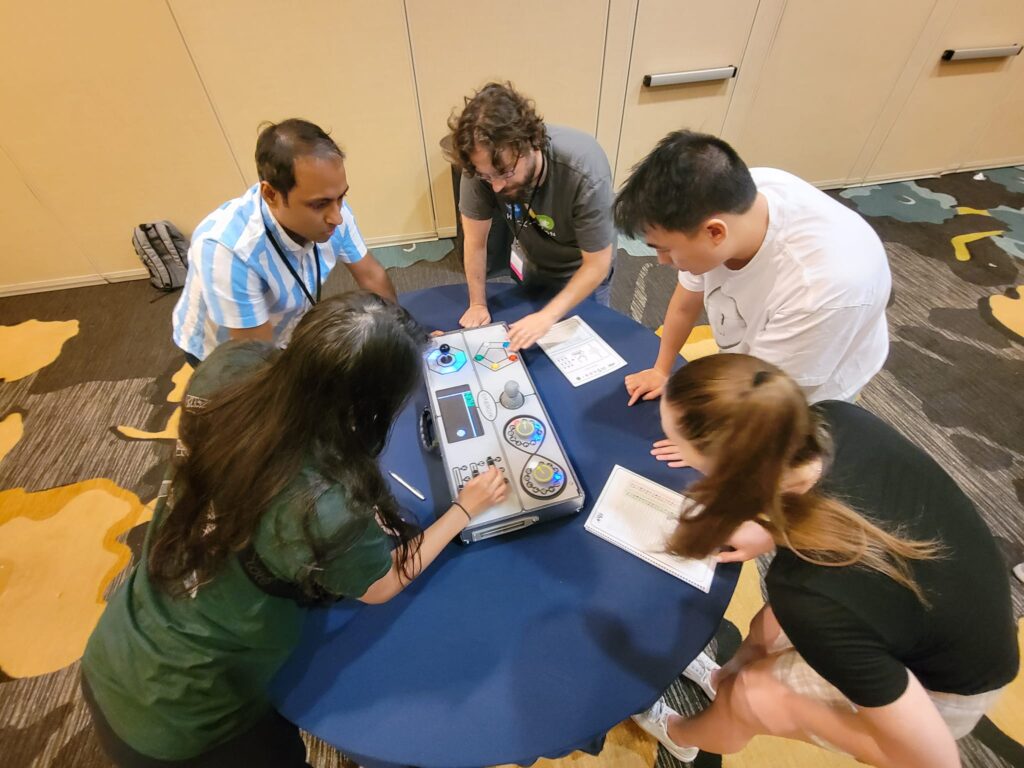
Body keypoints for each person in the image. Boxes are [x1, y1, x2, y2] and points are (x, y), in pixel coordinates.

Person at [82, 292, 508, 767]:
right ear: (368, 405)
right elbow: (383, 584)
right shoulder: (326, 507)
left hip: (121, 638)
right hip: (187, 713)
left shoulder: (230, 366)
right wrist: (464, 509)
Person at [631, 353, 1018, 767]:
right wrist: (771, 532)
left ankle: (681, 735)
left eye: (680, 443)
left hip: (944, 689)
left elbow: (934, 760)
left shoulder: (811, 593)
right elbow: (857, 502)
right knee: (768, 629)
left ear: (727, 471)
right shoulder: (837, 420)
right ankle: (722, 679)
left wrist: (776, 703)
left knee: (751, 694)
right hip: (951, 609)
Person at [616, 130, 890, 418]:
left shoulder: (819, 288)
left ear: (714, 232)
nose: (660, 261)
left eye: (666, 250)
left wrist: (700, 442)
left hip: (815, 368)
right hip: (766, 334)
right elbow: (686, 301)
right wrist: (661, 369)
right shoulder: (728, 201)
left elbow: (766, 393)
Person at [172, 119, 397, 367]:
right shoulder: (227, 251)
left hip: (284, 326)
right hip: (225, 353)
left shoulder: (333, 211)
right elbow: (256, 359)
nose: (337, 217)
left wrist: (400, 339)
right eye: (319, 204)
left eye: (341, 197)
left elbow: (372, 276)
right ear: (271, 195)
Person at [447, 82, 616, 350]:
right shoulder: (481, 167)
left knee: (584, 348)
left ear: (531, 142)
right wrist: (478, 303)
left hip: (584, 270)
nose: (497, 186)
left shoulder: (583, 170)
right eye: (487, 176)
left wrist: (548, 317)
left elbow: (597, 265)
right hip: (536, 261)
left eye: (505, 173)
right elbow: (475, 241)